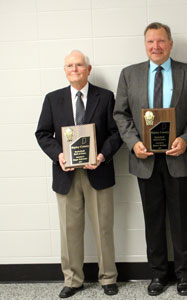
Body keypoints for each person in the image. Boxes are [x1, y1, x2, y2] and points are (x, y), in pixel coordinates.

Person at [113, 22, 187, 296]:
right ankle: (158, 275)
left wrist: (186, 139)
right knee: (152, 220)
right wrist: (134, 143)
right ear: (145, 45)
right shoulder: (129, 75)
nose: (156, 46)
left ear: (171, 44)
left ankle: (185, 275)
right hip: (145, 160)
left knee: (181, 219)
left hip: (180, 158)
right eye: (151, 42)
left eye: (161, 41)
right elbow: (121, 114)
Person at [35, 50, 122, 298]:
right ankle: (72, 280)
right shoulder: (53, 99)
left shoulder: (105, 97)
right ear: (65, 70)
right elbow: (42, 134)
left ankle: (108, 278)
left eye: (79, 65)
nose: (75, 69)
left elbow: (116, 134)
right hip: (66, 176)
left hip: (99, 172)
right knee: (69, 229)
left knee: (103, 227)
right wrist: (59, 156)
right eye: (70, 65)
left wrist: (102, 155)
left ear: (89, 69)